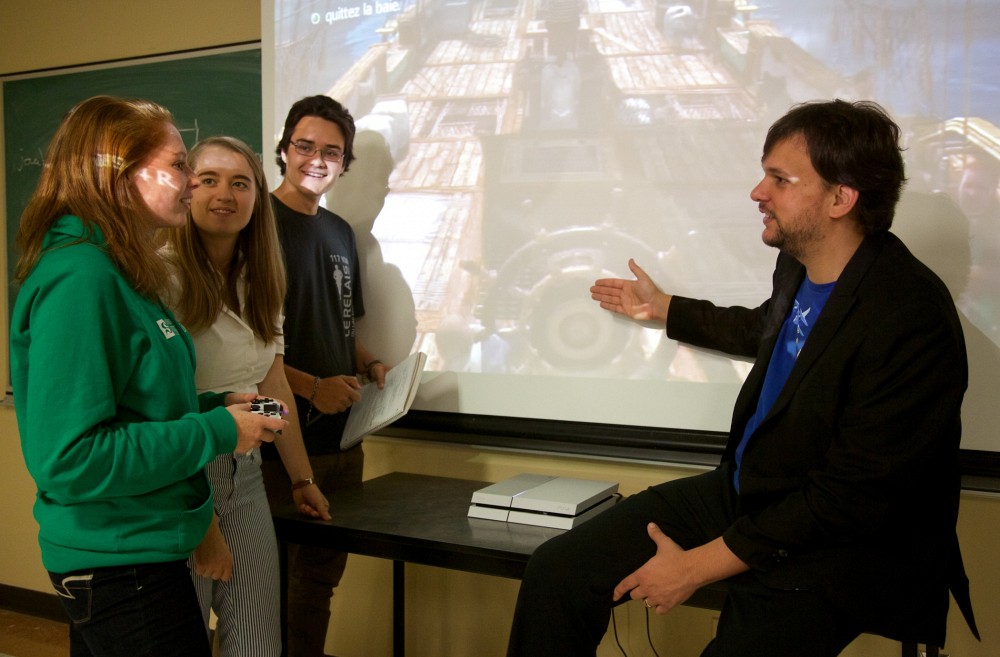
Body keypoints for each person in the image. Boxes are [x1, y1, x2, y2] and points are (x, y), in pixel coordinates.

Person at [506, 99, 980, 656]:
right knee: (558, 572)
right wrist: (664, 307)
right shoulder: (801, 264)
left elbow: (849, 498)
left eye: (779, 179)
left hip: (844, 545)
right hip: (752, 494)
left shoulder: (910, 316)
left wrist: (695, 567)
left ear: (840, 198)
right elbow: (768, 329)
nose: (758, 192)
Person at [9, 96, 285, 657]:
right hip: (120, 562)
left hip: (139, 551)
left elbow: (138, 406)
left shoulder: (122, 272)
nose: (193, 184)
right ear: (116, 170)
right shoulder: (82, 280)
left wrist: (214, 404)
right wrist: (218, 431)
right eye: (181, 165)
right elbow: (71, 459)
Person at [161, 136, 333, 656]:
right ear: (186, 191)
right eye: (208, 179)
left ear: (257, 197)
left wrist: (302, 478)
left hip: (248, 472)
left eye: (240, 183)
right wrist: (205, 526)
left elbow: (267, 389)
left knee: (258, 638)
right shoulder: (159, 275)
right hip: (185, 475)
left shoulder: (263, 278)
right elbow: (168, 406)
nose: (224, 194)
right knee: (183, 634)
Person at [261, 94, 389, 657]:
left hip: (341, 441)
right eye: (305, 146)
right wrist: (312, 386)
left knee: (318, 583)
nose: (316, 159)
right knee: (269, 586)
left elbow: (337, 320)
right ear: (285, 149)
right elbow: (242, 347)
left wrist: (365, 360)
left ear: (344, 163)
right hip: (275, 443)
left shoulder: (339, 231)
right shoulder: (256, 223)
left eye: (331, 152)